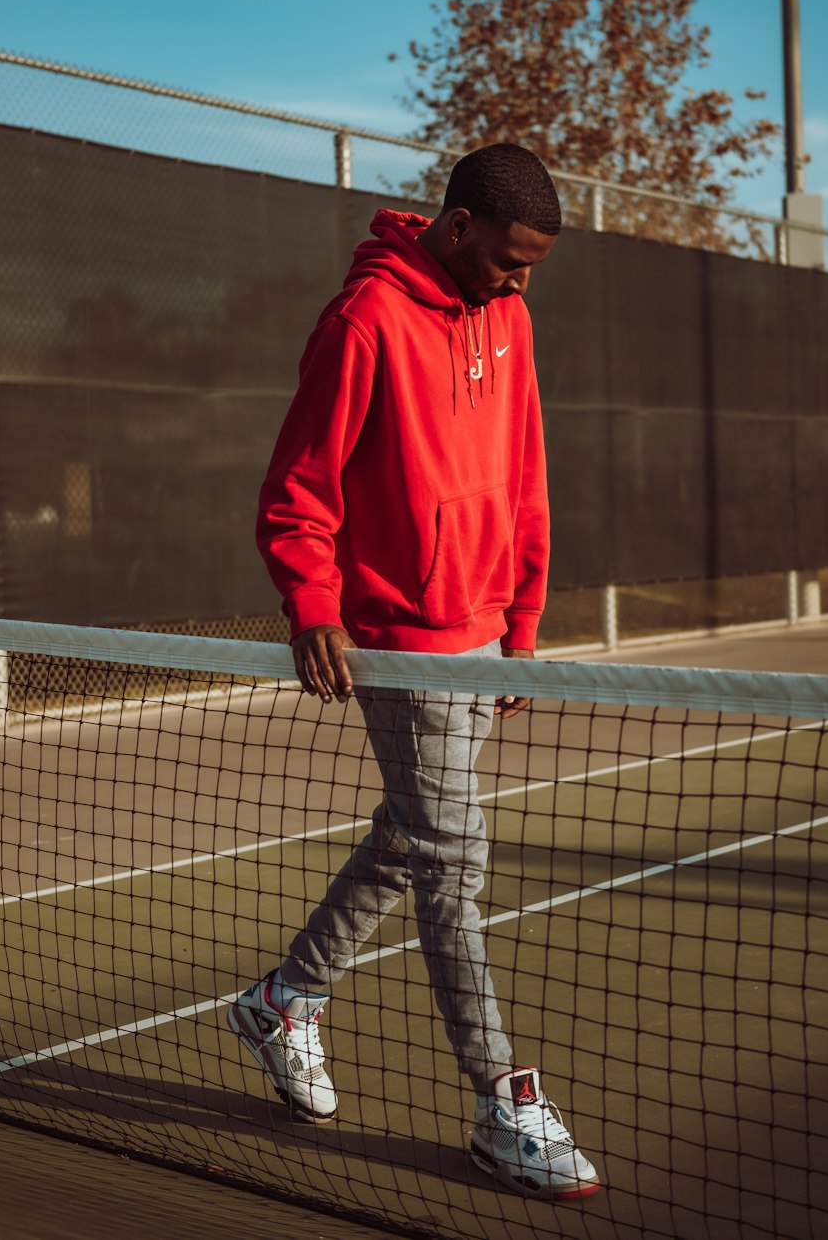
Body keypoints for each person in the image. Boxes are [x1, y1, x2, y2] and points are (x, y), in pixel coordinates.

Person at [229, 143, 599, 1202]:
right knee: (453, 858)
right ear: (457, 224)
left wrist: (521, 621)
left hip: (484, 631)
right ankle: (501, 1100)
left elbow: (525, 470)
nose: (521, 280)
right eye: (510, 259)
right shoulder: (365, 320)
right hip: (399, 639)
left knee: (412, 835)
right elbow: (298, 487)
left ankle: (284, 997)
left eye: (534, 265)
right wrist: (312, 605)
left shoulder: (512, 318)